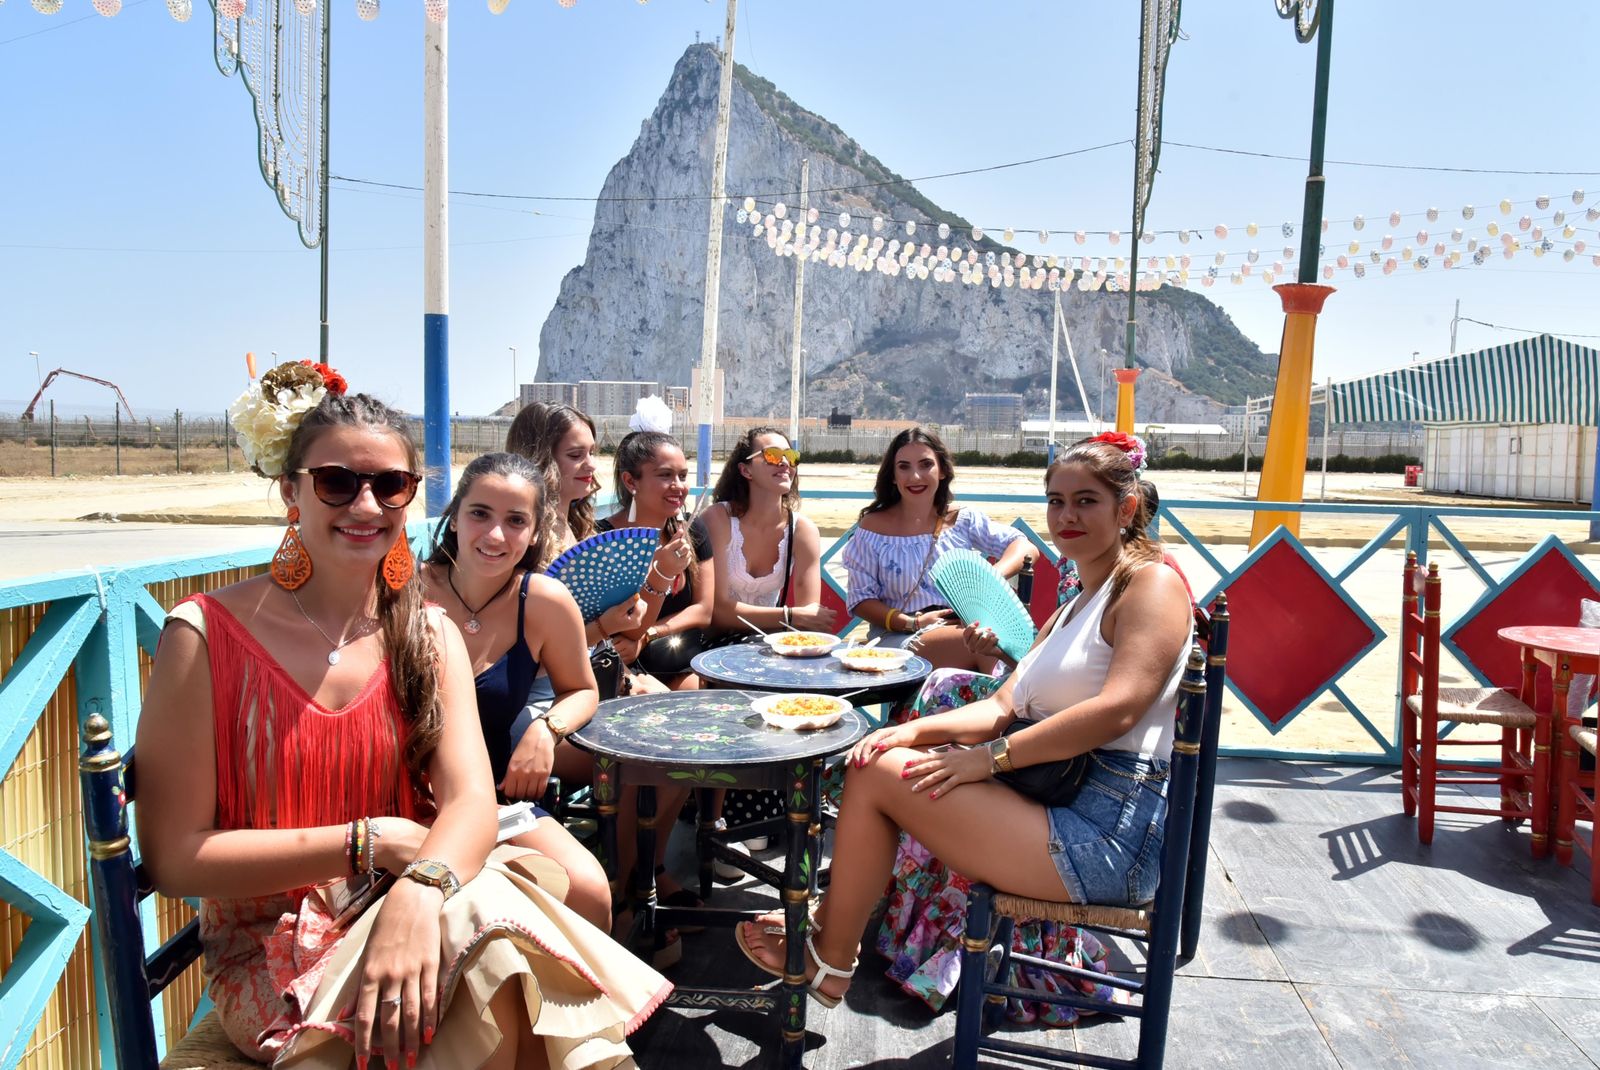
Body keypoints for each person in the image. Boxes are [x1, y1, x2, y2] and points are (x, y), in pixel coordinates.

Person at [136, 363, 667, 1070]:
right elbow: (176, 858)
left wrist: (418, 894)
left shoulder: (424, 632)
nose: (365, 504)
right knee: (500, 970)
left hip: (418, 893)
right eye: (336, 482)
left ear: (412, 500)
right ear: (292, 492)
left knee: (498, 959)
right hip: (276, 948)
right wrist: (371, 842)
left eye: (389, 485)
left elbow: (473, 802)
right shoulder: (204, 637)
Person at [736, 433, 1194, 1012]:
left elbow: (1119, 710)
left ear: (1126, 508)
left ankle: (828, 956)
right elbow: (1004, 703)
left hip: (1106, 834)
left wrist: (985, 759)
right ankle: (832, 945)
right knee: (877, 757)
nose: (1065, 516)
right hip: (1059, 796)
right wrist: (911, 731)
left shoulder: (1150, 585)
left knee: (877, 778)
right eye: (1056, 501)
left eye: (1086, 501)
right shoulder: (1081, 597)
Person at [420, 450, 610, 929]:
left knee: (589, 892)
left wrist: (546, 730)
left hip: (495, 798)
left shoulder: (543, 601)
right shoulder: (404, 592)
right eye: (480, 514)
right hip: (402, 802)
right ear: (456, 515)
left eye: (515, 520)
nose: (496, 535)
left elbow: (581, 690)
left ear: (534, 531)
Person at [841, 426, 1031, 669]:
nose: (915, 477)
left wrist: (989, 577)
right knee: (988, 650)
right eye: (904, 467)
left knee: (1011, 647)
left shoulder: (962, 520)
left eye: (925, 465)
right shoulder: (873, 527)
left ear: (942, 471)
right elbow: (860, 600)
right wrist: (913, 623)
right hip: (901, 637)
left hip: (966, 627)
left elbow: (1024, 547)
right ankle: (1007, 705)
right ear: (892, 475)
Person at [704, 426, 835, 636]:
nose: (784, 463)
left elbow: (809, 617)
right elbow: (716, 611)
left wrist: (794, 617)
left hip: (768, 647)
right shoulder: (717, 520)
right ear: (745, 470)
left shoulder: (803, 531)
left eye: (790, 456)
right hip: (709, 647)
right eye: (772, 455)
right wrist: (789, 616)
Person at [505, 401, 600, 556]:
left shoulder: (577, 524)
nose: (592, 465)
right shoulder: (525, 536)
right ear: (541, 460)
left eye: (592, 452)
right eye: (575, 455)